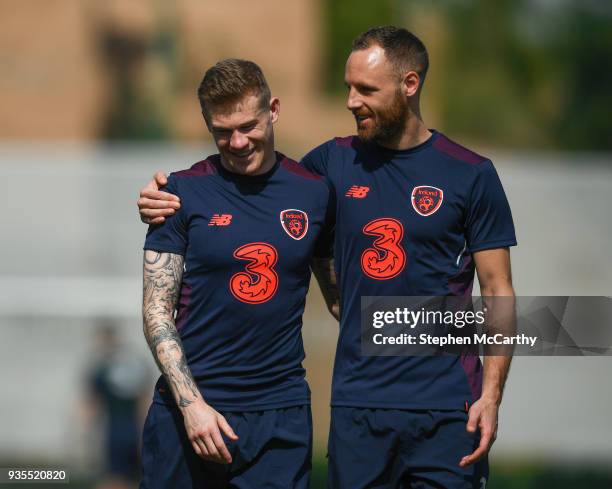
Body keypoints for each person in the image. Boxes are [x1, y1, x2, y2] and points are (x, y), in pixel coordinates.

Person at [138, 26, 517, 489]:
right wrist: (159, 196)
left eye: (365, 89)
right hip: (356, 409)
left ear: (410, 84)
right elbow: (260, 192)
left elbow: (497, 290)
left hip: (446, 406)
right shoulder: (328, 167)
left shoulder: (470, 174)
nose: (351, 101)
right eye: (348, 87)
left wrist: (492, 394)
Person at [141, 58, 332, 488]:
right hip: (188, 410)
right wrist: (192, 406)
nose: (238, 141)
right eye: (222, 131)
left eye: (248, 125)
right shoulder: (178, 194)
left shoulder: (315, 193)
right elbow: (156, 311)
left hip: (279, 416)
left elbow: (344, 299)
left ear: (274, 110)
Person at [85, 320, 151, 489]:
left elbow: (93, 405)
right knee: (136, 479)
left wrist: (87, 435)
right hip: (134, 431)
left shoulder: (101, 368)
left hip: (113, 433)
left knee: (111, 480)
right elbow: (144, 403)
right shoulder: (137, 365)